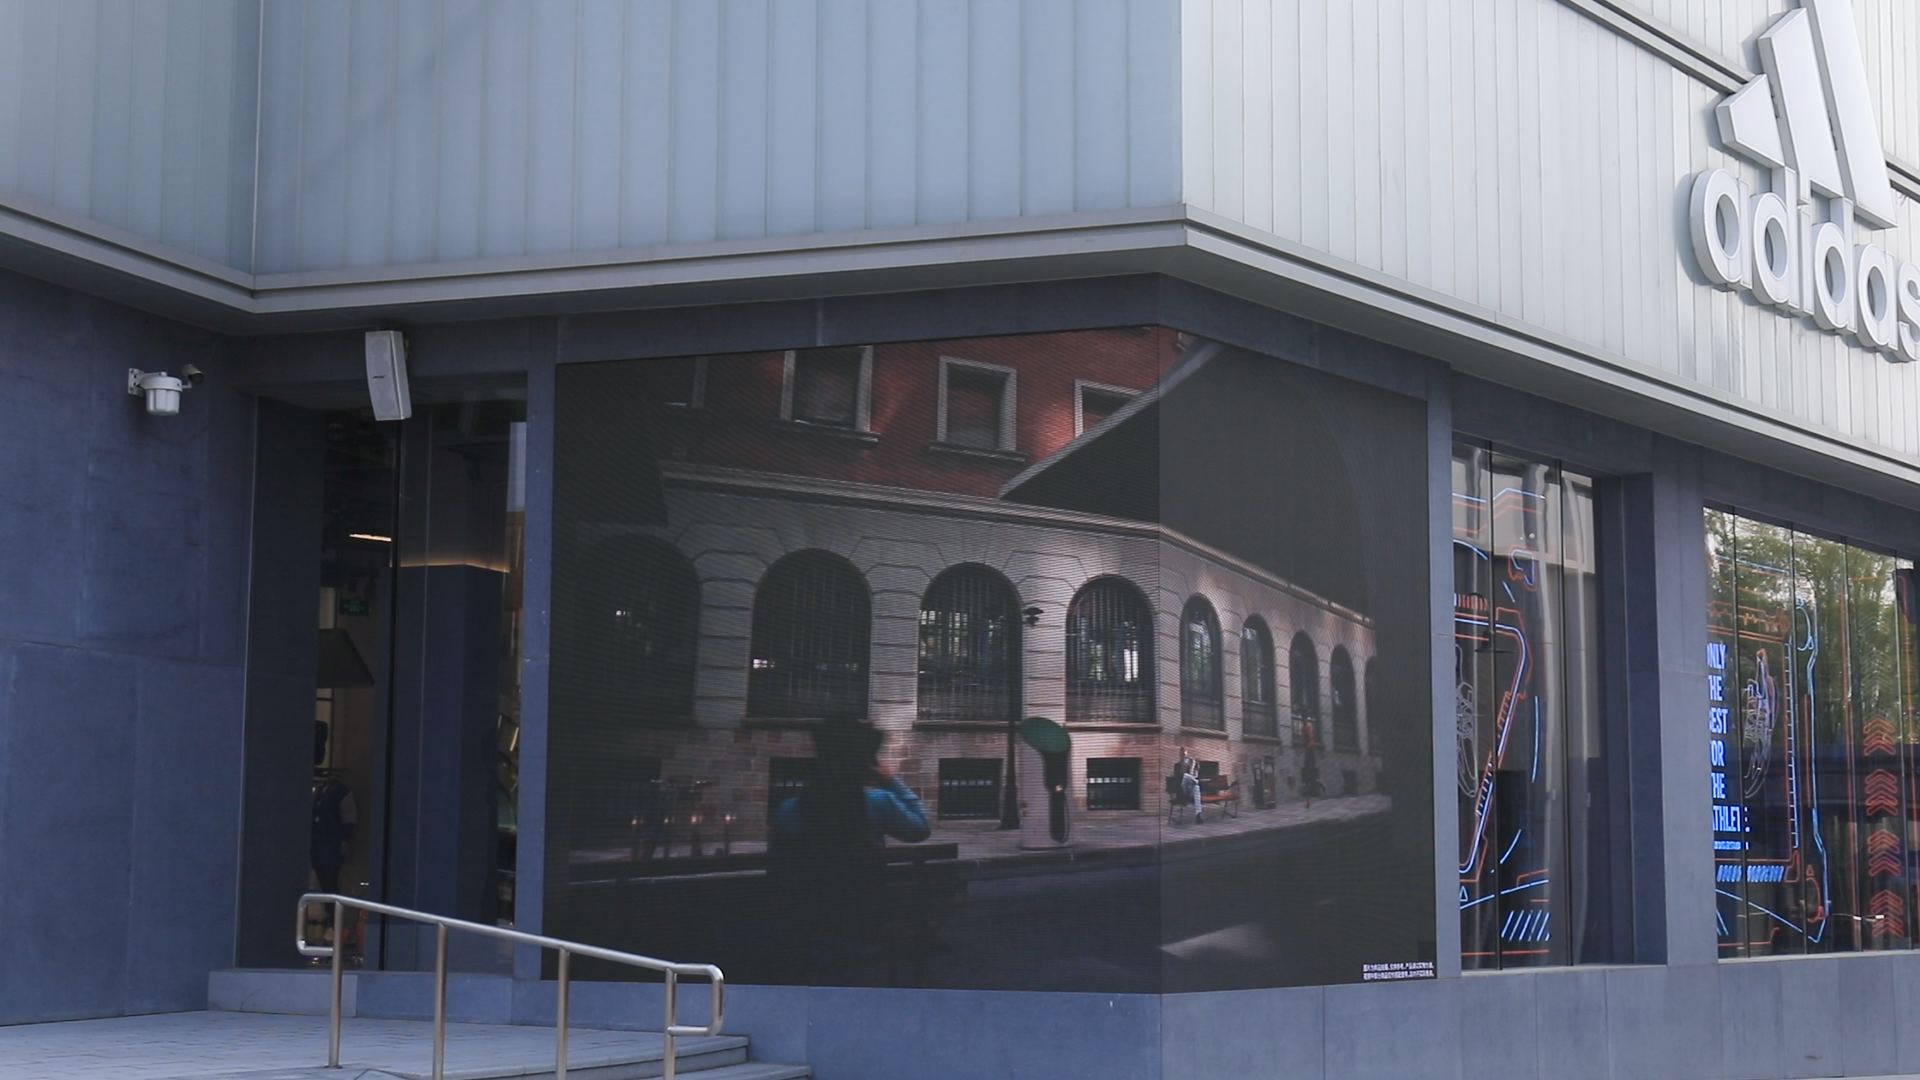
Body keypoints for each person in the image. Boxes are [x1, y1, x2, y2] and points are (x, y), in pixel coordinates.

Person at [768, 718, 930, 981]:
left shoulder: (788, 810)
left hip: (805, 926)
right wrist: (891, 781)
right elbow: (920, 828)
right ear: (865, 766)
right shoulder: (878, 803)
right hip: (866, 921)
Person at [1176, 746, 1203, 823]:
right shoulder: (1178, 765)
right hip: (1183, 789)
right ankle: (1196, 781)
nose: (1183, 754)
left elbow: (1196, 775)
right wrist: (1183, 764)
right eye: (1182, 753)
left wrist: (1196, 766)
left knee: (1196, 788)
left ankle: (1198, 815)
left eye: (1184, 752)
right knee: (1185, 776)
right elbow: (1180, 775)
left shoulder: (1191, 765)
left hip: (1191, 789)